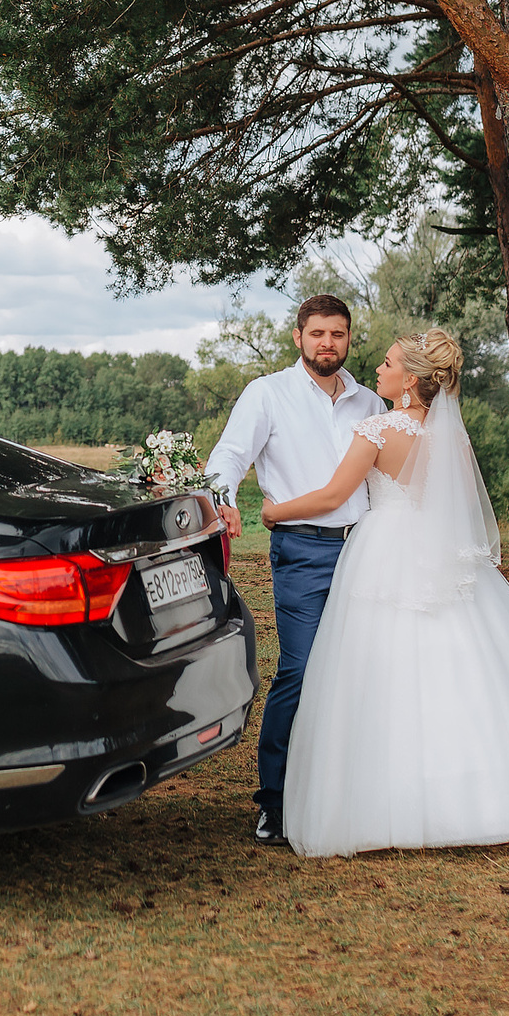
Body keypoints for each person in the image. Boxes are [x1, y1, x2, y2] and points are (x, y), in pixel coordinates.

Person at [273, 329, 509, 858]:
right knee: (466, 667)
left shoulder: (375, 428)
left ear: (410, 379)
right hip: (443, 555)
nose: (378, 370)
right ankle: (493, 796)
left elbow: (332, 496)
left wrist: (271, 511)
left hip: (383, 553)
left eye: (388, 363)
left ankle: (390, 801)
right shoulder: (453, 438)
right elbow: (454, 506)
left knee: (381, 669)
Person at [201, 293, 386, 846]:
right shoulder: (268, 394)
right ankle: (275, 804)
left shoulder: (371, 403)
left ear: (349, 337)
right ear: (298, 337)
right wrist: (223, 496)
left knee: (362, 674)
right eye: (317, 334)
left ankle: (350, 794)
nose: (327, 343)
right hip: (303, 552)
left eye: (338, 333)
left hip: (369, 550)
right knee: (301, 671)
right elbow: (230, 456)